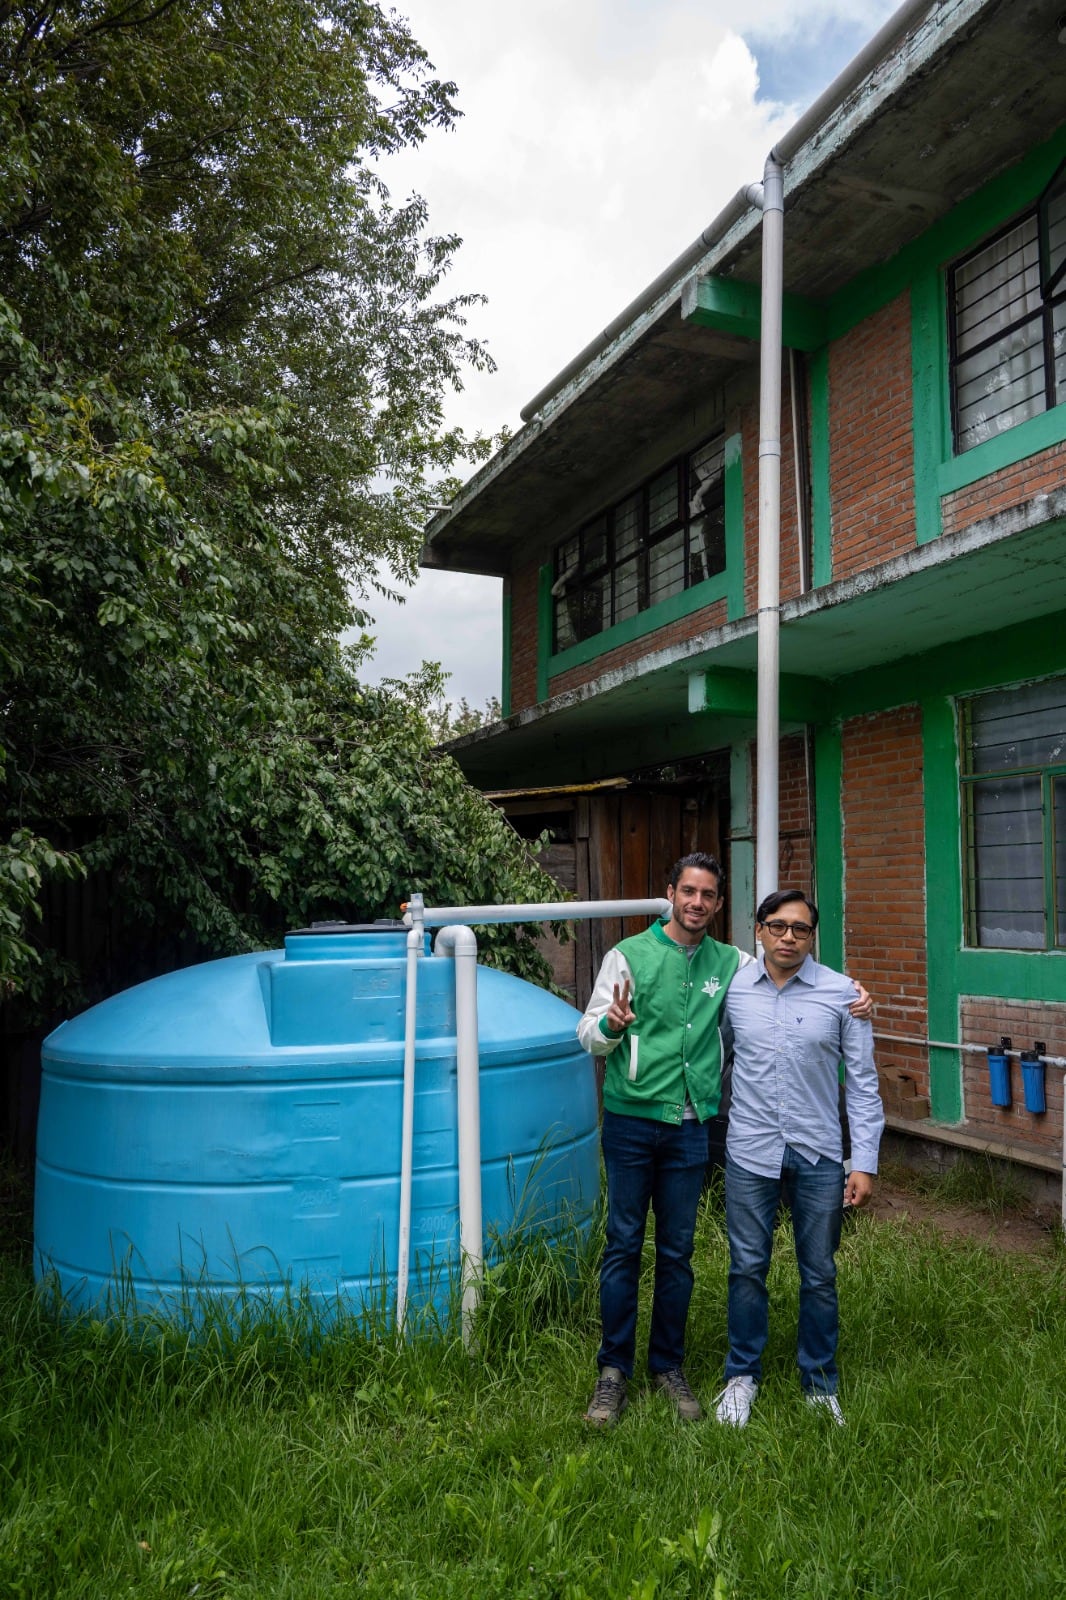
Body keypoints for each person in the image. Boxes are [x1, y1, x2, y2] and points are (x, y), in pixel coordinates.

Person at [576, 856, 870, 1428]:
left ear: (718, 904)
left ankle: (668, 1365)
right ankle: (613, 1372)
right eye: (688, 891)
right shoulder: (627, 956)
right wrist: (612, 1026)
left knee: (678, 1254)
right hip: (633, 1122)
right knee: (623, 1246)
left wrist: (853, 995)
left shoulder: (732, 964)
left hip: (692, 1126)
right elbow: (588, 1035)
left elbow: (793, 979)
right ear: (670, 894)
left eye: (709, 894)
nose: (698, 902)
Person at [713, 890, 884, 1430]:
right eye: (778, 925)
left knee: (819, 1273)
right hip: (749, 1151)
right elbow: (713, 1058)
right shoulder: (733, 989)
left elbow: (861, 1083)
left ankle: (819, 1382)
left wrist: (864, 1161)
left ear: (813, 937)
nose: (789, 936)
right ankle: (742, 1376)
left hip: (818, 1155)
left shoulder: (843, 995)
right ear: (757, 929)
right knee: (746, 1268)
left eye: (801, 929)